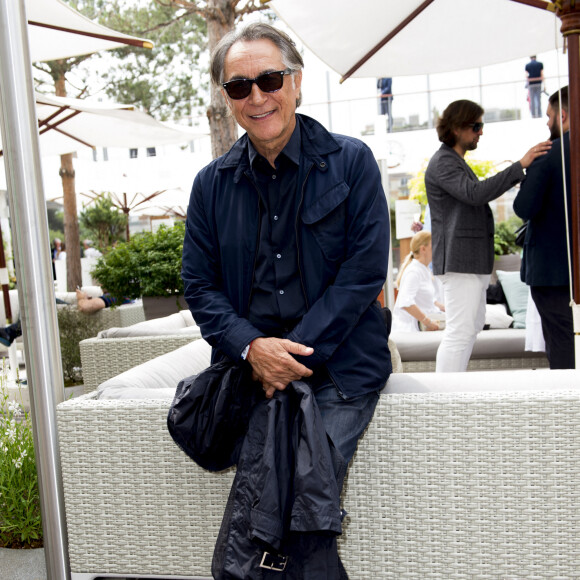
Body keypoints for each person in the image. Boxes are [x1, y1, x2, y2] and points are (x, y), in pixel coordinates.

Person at [181, 22, 391, 576]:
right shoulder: (210, 186)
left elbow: (364, 273)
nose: (257, 97)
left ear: (296, 82)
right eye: (239, 87)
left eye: (269, 79)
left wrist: (287, 355)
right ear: (227, 100)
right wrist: (254, 350)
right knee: (284, 507)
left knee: (295, 497)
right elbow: (199, 287)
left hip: (340, 369)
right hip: (252, 375)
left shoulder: (352, 162)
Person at [425, 99, 550, 372]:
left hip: (467, 262)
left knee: (468, 329)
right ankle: (445, 396)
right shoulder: (444, 162)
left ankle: (450, 392)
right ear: (457, 128)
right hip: (460, 262)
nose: (481, 132)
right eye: (476, 126)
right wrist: (520, 166)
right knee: (460, 331)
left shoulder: (453, 161)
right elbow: (475, 194)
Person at [513, 86, 574, 369]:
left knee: (561, 342)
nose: (547, 123)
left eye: (549, 116)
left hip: (552, 272)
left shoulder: (547, 155)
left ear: (562, 115)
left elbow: (523, 208)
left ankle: (569, 405)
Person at [393, 231, 444, 332]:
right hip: (409, 331)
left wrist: (444, 308)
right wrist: (428, 322)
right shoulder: (413, 271)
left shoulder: (424, 269)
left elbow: (426, 298)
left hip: (421, 328)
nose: (436, 249)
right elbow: (406, 302)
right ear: (423, 249)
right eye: (432, 245)